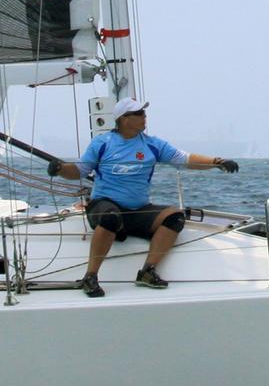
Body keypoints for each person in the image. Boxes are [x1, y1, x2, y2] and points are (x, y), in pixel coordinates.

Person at [47, 97, 239, 297]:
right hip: (103, 206)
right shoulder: (102, 143)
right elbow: (78, 170)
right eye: (138, 113)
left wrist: (217, 162)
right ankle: (90, 276)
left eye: (144, 113)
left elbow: (185, 159)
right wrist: (60, 169)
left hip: (138, 209)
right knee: (111, 216)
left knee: (175, 217)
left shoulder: (152, 145)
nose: (144, 116)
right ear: (123, 119)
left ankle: (147, 271)